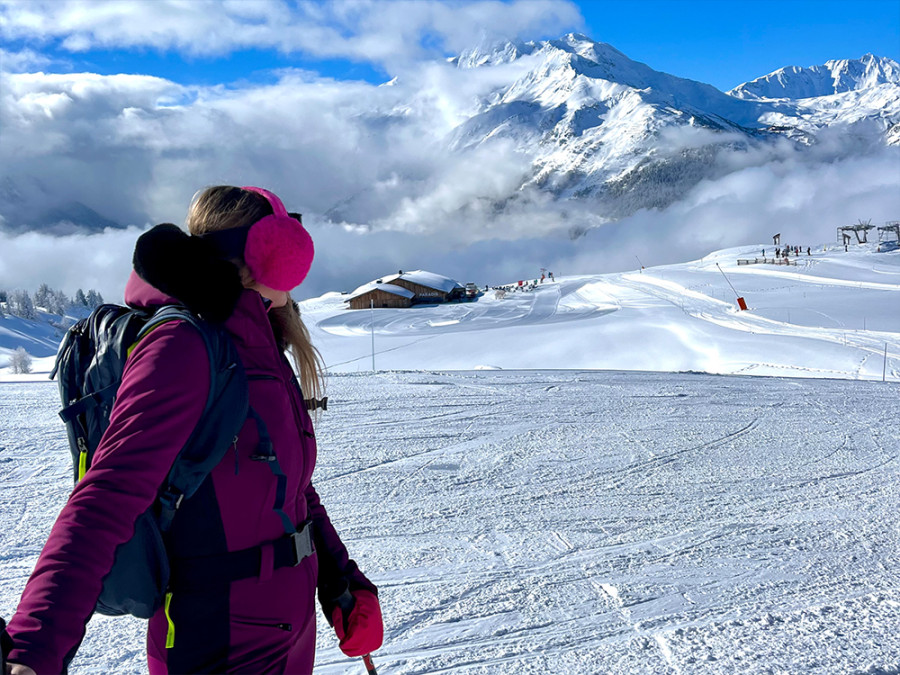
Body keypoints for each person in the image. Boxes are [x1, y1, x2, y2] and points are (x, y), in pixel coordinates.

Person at [4, 186, 383, 675]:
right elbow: (106, 497)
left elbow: (291, 489)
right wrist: (33, 650)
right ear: (263, 255)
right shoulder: (182, 346)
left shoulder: (260, 340)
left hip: (287, 632)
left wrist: (340, 582)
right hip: (217, 643)